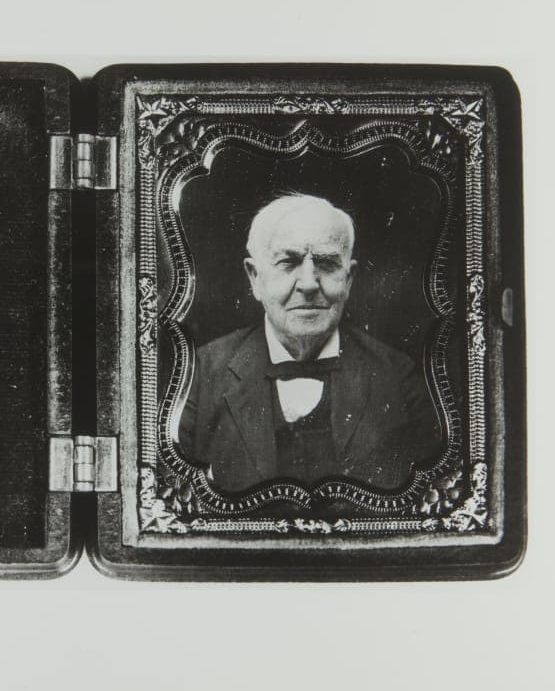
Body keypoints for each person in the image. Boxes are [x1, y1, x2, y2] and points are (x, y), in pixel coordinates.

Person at [178, 193, 440, 495]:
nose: (308, 284)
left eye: (327, 264)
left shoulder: (399, 377)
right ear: (255, 278)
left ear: (349, 278)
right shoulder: (199, 375)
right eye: (288, 262)